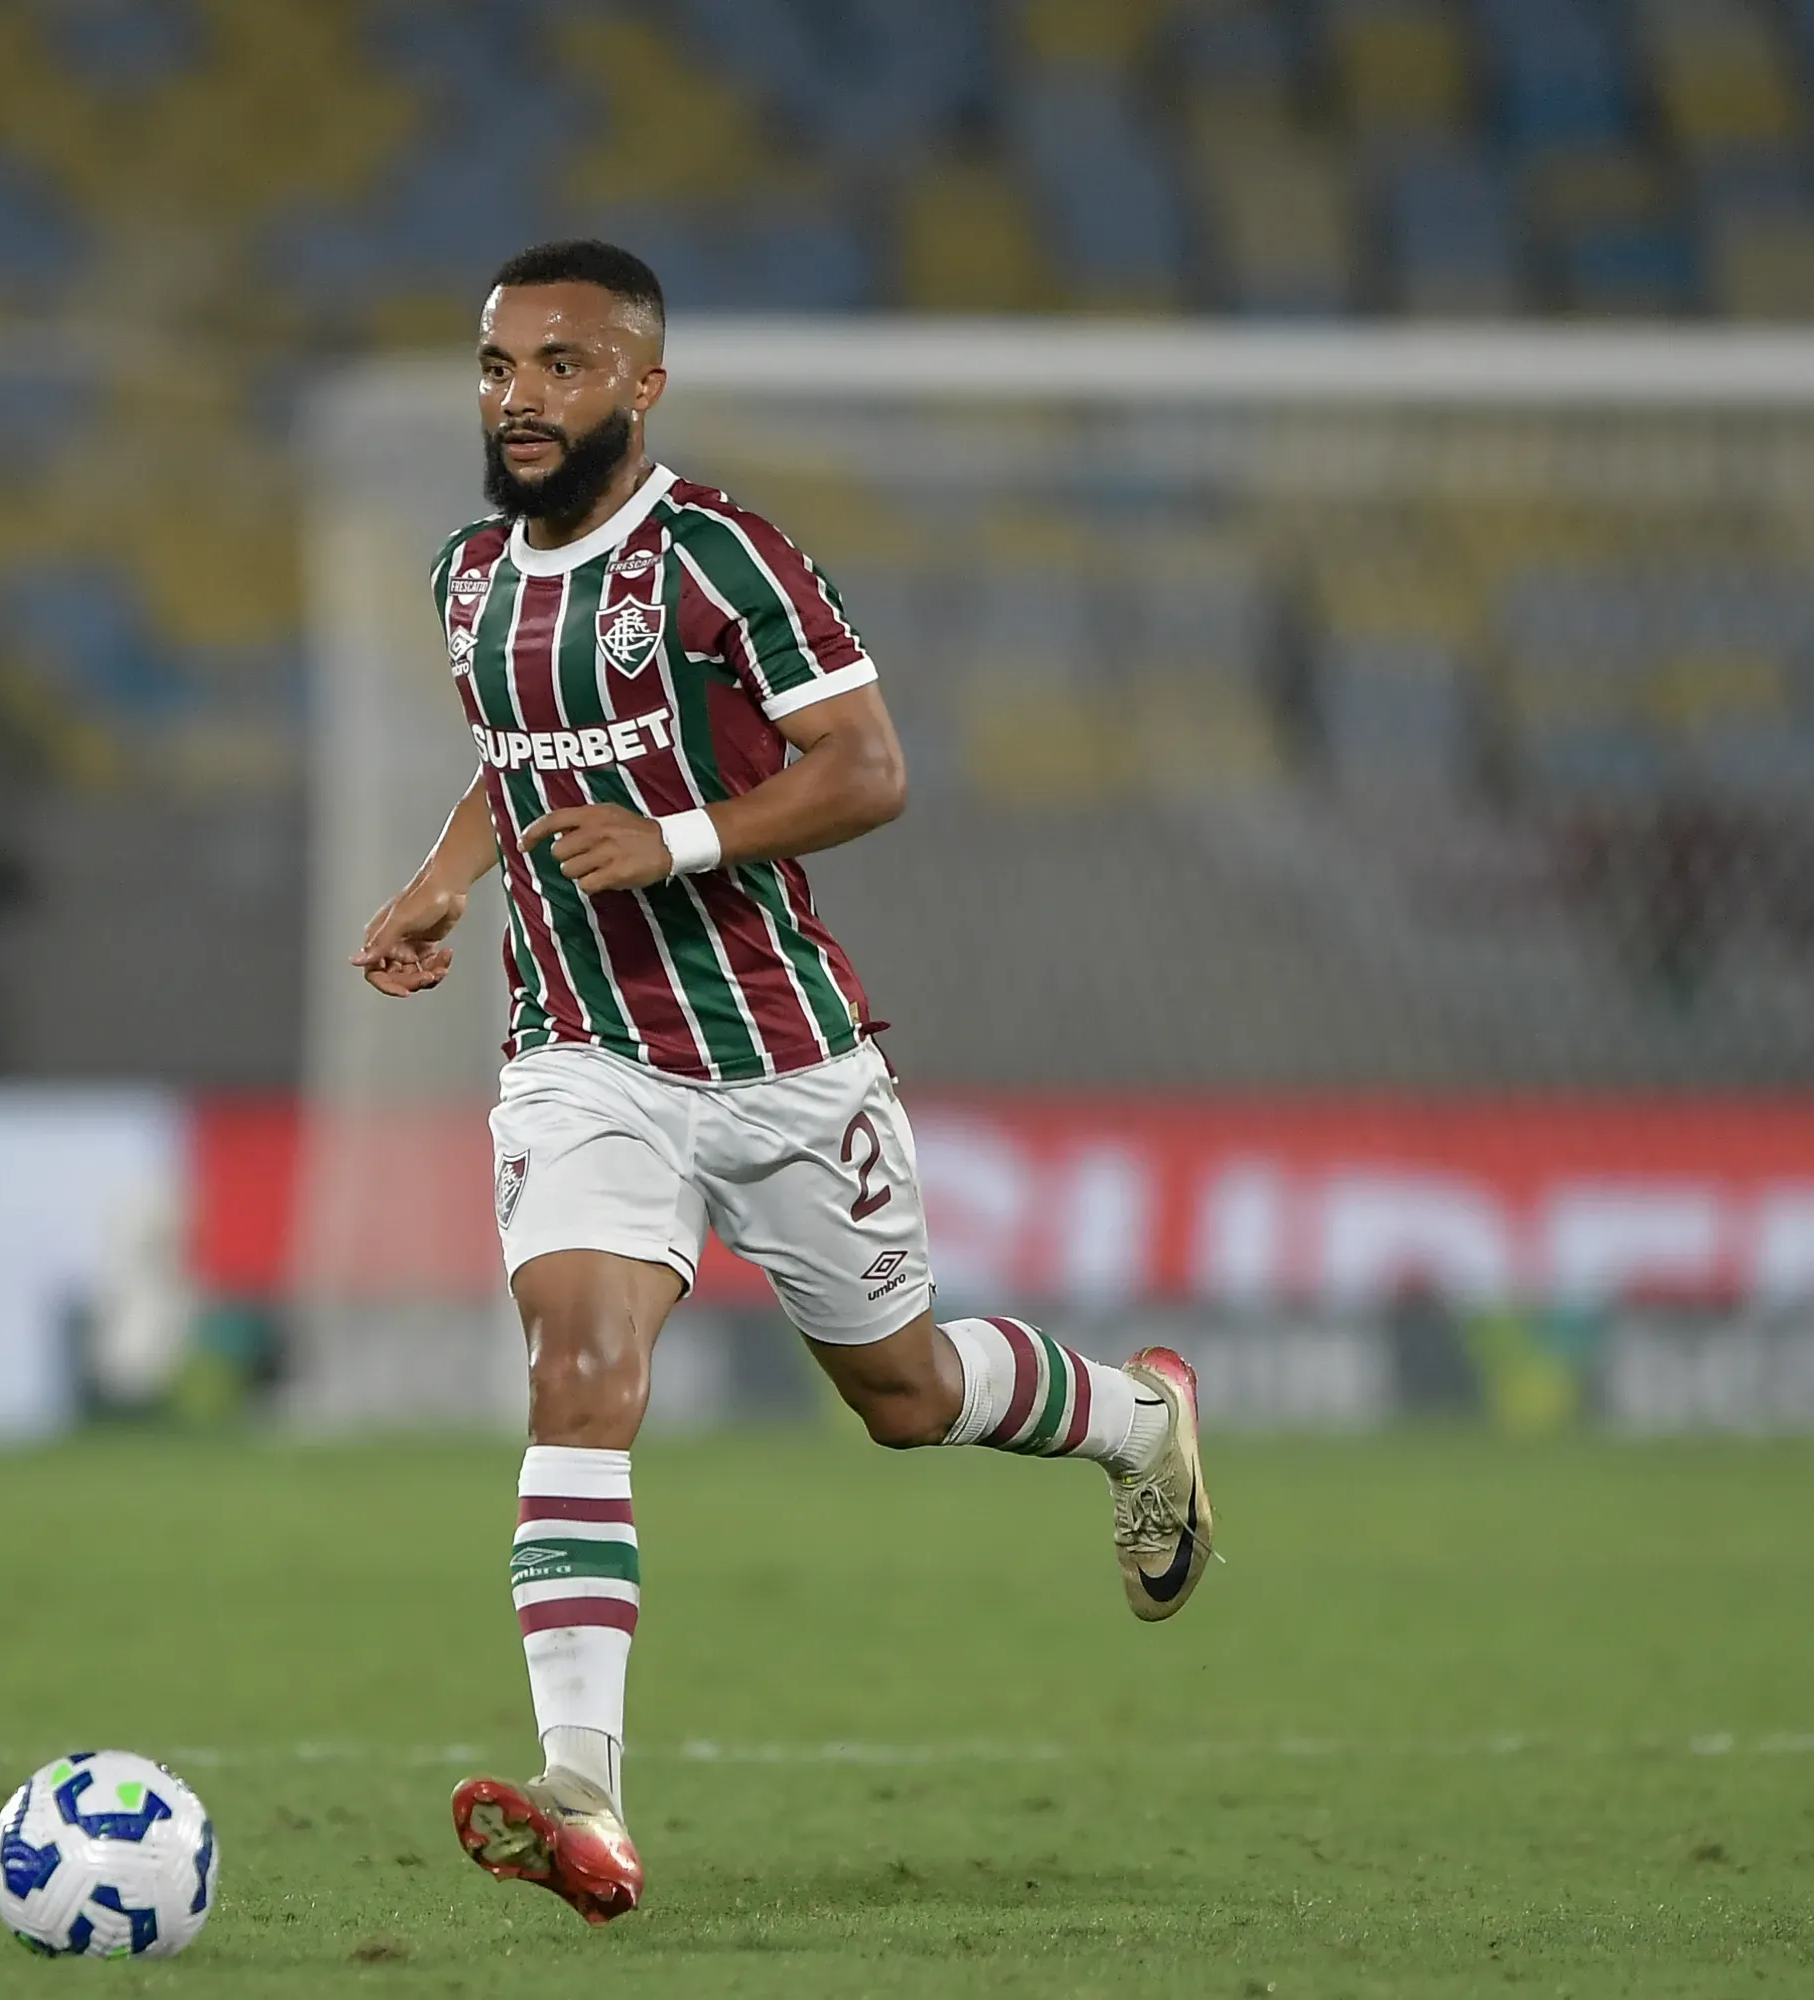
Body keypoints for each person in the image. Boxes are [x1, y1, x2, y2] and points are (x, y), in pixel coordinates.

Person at [349, 240, 1216, 1928]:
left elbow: (868, 767)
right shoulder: (467, 576)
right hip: (578, 1057)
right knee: (580, 1369)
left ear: (642, 386)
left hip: (779, 1055)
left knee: (901, 1394)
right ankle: (582, 1793)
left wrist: (674, 839)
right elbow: (519, 759)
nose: (522, 399)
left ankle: (1141, 1422)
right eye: (500, 367)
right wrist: (448, 879)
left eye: (564, 367)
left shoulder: (718, 560)